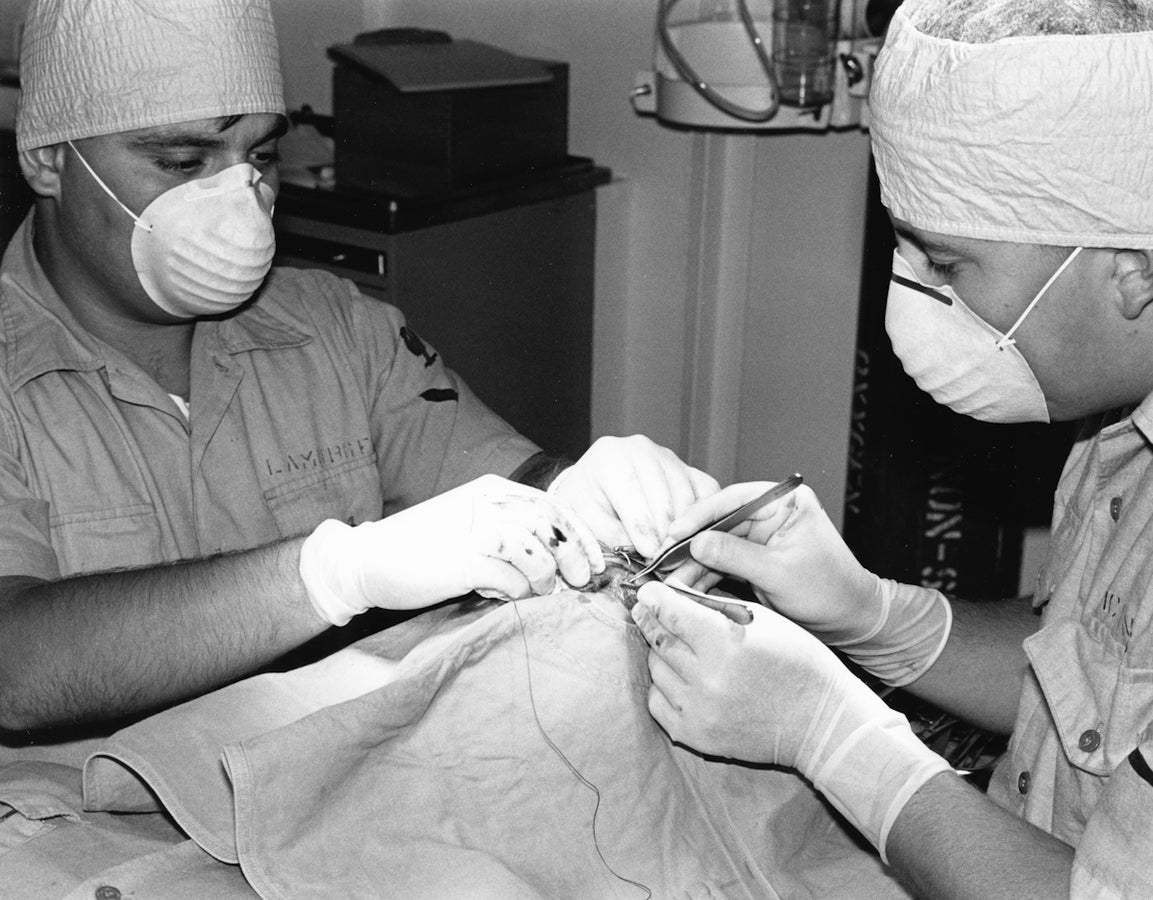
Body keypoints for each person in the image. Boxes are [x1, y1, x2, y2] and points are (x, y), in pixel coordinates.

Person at [0, 0, 716, 887]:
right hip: (87, 831)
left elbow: (509, 477)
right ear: (45, 159)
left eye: (260, 154)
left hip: (343, 785)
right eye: (183, 160)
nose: (240, 195)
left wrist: (591, 494)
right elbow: (15, 667)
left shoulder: (332, 329)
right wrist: (333, 573)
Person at [631, 1, 1153, 898]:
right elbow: (1098, 671)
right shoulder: (1116, 431)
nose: (907, 303)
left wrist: (835, 739)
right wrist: (873, 618)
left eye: (945, 266)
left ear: (1133, 268)